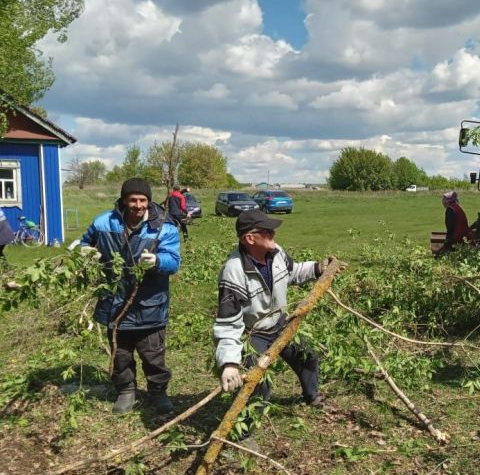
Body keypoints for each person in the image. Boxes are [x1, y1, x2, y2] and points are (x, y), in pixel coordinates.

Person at [213, 210, 345, 431]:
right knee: (257, 386)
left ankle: (312, 397)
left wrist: (318, 268)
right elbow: (228, 322)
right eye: (267, 231)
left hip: (280, 324)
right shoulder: (233, 271)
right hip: (253, 334)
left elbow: (293, 272)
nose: (274, 233)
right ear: (250, 238)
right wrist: (229, 363)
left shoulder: (276, 253)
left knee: (307, 358)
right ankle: (245, 434)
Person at [80, 178, 181, 414]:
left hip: (150, 304)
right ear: (124, 200)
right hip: (113, 301)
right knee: (120, 355)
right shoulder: (104, 222)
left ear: (149, 201)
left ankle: (158, 392)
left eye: (143, 200)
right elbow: (84, 242)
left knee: (153, 355)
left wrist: (157, 261)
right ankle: (126, 390)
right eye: (133, 199)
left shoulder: (164, 227)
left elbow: (174, 262)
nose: (138, 205)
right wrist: (85, 252)